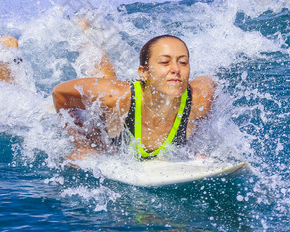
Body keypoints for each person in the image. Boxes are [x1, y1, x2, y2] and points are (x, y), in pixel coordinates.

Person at [52, 32, 216, 161]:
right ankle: (86, 34)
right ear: (143, 73)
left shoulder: (198, 99)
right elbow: (59, 94)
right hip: (115, 114)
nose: (176, 69)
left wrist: (196, 143)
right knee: (106, 76)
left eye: (183, 62)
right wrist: (82, 144)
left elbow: (210, 83)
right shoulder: (114, 97)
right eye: (165, 62)